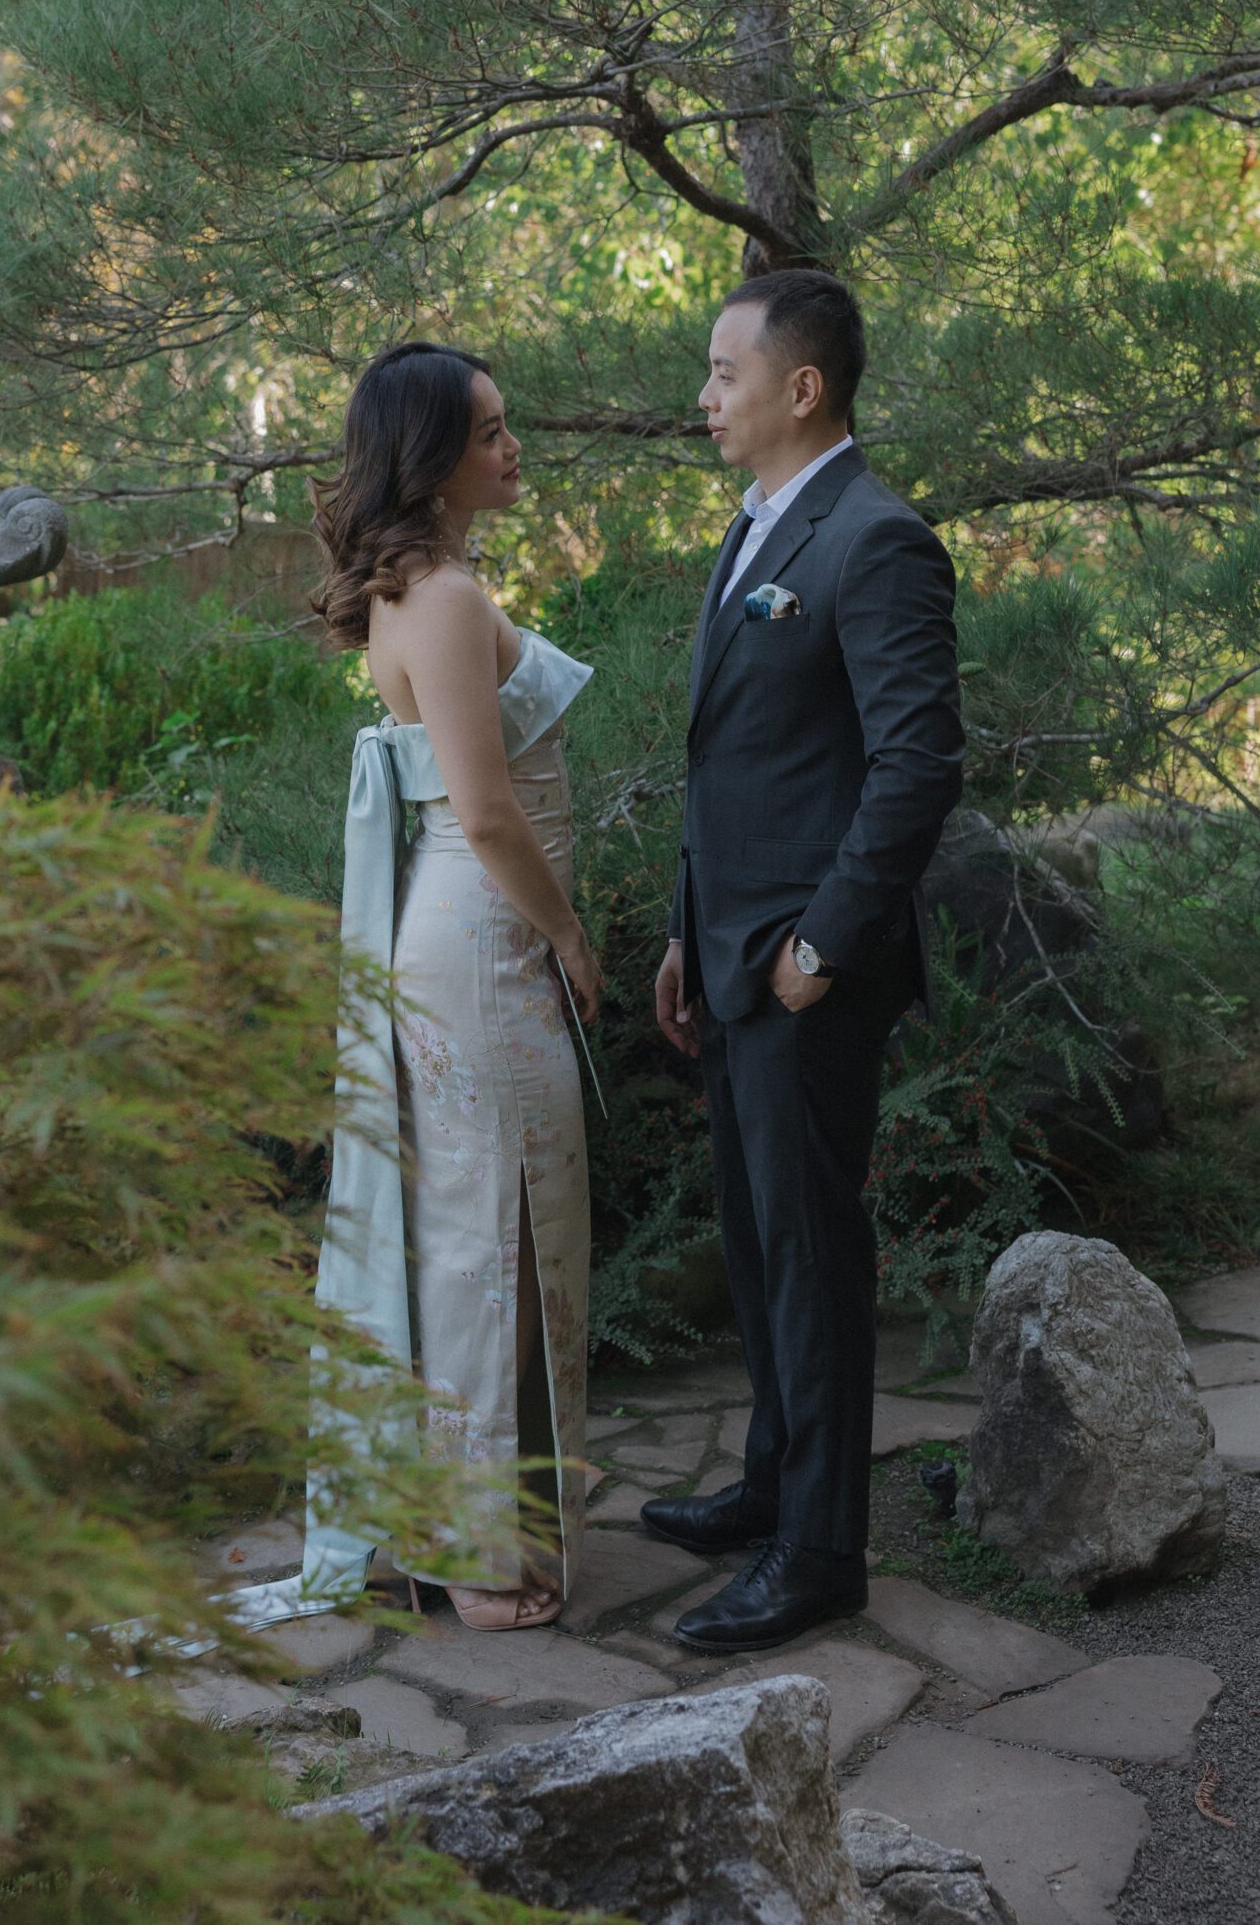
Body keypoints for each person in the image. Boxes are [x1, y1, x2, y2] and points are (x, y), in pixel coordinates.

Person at [647, 272, 964, 1653]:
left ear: (801, 388)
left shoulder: (875, 537)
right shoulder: (757, 525)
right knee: (758, 1235)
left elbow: (916, 763)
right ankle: (774, 1477)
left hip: (804, 969)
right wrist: (682, 924)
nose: (703, 397)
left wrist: (821, 944)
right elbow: (734, 762)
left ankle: (820, 1551)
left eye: (722, 373)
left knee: (812, 1254)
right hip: (726, 950)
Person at [299, 342, 601, 1632]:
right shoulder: (449, 599)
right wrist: (573, 938)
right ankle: (478, 1560)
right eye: (487, 432)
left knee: (478, 1238)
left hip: (456, 938)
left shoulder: (409, 589)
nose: (511, 446)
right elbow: (483, 811)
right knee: (492, 1243)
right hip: (483, 941)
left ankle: (461, 1532)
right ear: (430, 455)